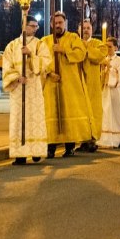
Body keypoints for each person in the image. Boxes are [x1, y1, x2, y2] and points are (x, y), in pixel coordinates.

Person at [42, 12, 93, 158]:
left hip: (70, 84)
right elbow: (40, 61)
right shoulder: (45, 41)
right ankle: (50, 147)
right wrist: (50, 73)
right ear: (51, 24)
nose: (58, 25)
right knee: (51, 114)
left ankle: (69, 146)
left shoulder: (73, 38)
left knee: (69, 113)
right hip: (52, 83)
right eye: (55, 23)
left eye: (60, 23)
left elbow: (80, 54)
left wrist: (63, 50)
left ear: (65, 23)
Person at [1, 15, 51, 165]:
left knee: (34, 119)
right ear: (24, 26)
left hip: (34, 87)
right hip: (18, 89)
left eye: (37, 26)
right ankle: (20, 155)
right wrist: (16, 77)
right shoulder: (12, 46)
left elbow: (45, 63)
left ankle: (36, 151)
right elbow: (7, 65)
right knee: (18, 120)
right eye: (32, 26)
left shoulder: (39, 44)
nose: (35, 29)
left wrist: (31, 55)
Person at [98, 37, 120, 149]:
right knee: (106, 113)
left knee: (117, 114)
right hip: (105, 91)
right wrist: (102, 69)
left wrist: (109, 67)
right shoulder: (102, 59)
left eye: (110, 47)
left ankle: (118, 139)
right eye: (106, 46)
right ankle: (106, 139)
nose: (108, 49)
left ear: (116, 47)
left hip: (116, 92)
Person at [79, 19, 105, 152]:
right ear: (79, 30)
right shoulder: (75, 43)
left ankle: (92, 139)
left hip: (93, 83)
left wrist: (85, 48)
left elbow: (100, 56)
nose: (85, 30)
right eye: (83, 28)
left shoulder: (98, 44)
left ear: (92, 30)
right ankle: (82, 140)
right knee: (80, 111)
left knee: (94, 112)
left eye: (88, 28)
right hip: (78, 82)